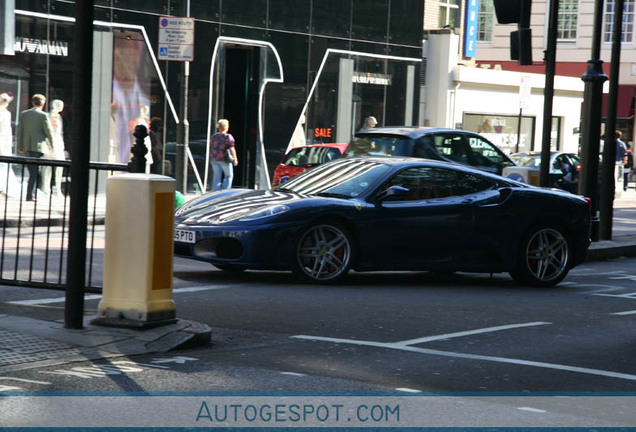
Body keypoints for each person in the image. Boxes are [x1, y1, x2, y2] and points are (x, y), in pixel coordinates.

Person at [17, 94, 54, 201]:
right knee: (35, 171)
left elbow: (20, 131)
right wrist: (52, 144)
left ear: (32, 102)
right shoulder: (43, 116)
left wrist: (20, 145)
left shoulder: (24, 114)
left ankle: (31, 193)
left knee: (33, 171)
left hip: (27, 146)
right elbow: (48, 131)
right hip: (39, 147)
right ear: (43, 103)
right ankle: (30, 194)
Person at [41, 99, 66, 196]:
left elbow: (59, 132)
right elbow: (50, 131)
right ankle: (45, 188)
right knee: (47, 167)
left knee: (59, 168)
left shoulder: (58, 116)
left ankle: (56, 188)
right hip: (51, 144)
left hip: (58, 143)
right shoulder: (49, 116)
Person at [0, 92, 20, 197]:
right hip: (2, 140)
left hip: (6, 140)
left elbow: (7, 130)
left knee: (5, 164)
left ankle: (3, 185)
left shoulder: (7, 113)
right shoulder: (3, 114)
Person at [209, 119, 238, 191]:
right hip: (224, 159)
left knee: (217, 177)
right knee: (229, 176)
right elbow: (232, 148)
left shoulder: (214, 136)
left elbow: (211, 146)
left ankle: (215, 192)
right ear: (226, 127)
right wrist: (235, 159)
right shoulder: (228, 137)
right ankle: (225, 192)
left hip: (214, 159)